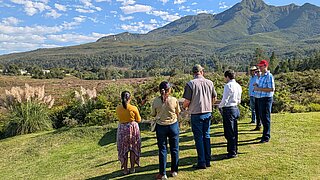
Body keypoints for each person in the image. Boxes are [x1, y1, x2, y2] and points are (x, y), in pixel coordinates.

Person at [182, 64, 217, 169]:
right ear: (202, 72)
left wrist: (184, 108)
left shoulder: (191, 84)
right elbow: (214, 97)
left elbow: (187, 101)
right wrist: (209, 104)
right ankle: (208, 159)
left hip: (196, 113)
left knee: (199, 138)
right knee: (206, 136)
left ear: (193, 73)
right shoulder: (210, 82)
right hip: (207, 112)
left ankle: (201, 162)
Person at [151, 81, 181, 180]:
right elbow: (178, 112)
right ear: (169, 90)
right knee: (174, 149)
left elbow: (153, 114)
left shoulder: (156, 101)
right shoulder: (174, 100)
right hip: (173, 126)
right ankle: (174, 171)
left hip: (161, 127)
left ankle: (162, 173)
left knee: (163, 150)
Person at [115, 91, 141, 175]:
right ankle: (132, 168)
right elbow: (139, 119)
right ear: (130, 98)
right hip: (132, 128)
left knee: (124, 150)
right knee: (133, 149)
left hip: (122, 129)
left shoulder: (118, 108)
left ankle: (125, 169)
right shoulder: (133, 108)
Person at [219, 70, 242, 158]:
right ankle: (234, 149)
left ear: (227, 77)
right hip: (235, 108)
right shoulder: (238, 86)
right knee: (234, 131)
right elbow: (239, 99)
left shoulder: (228, 86)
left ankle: (232, 152)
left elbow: (225, 99)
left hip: (228, 109)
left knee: (229, 132)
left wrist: (220, 106)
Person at [254, 60, 275, 143]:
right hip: (260, 98)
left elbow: (271, 89)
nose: (259, 67)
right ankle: (264, 134)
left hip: (266, 99)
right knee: (262, 117)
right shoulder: (261, 76)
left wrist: (259, 88)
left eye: (261, 66)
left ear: (265, 66)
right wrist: (257, 85)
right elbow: (262, 86)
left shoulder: (269, 76)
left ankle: (266, 136)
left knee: (266, 118)